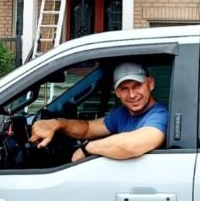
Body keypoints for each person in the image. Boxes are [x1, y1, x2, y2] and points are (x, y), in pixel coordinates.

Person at [29, 61, 168, 163]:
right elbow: (88, 128)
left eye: (137, 86)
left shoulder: (160, 115)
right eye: (124, 88)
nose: (132, 95)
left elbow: (131, 145)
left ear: (150, 83)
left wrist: (87, 148)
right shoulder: (123, 114)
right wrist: (56, 124)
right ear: (117, 92)